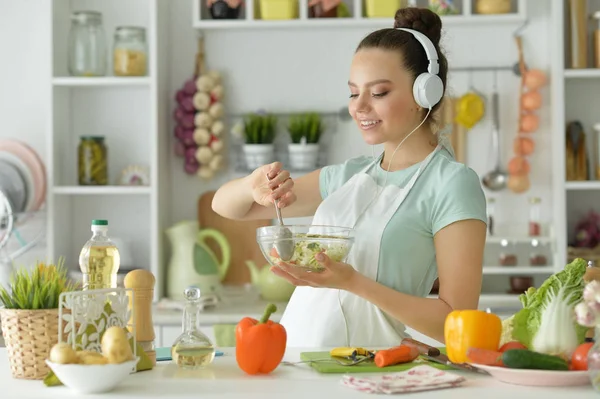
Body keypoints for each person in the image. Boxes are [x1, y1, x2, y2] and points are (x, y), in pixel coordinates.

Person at [212, 7, 487, 347]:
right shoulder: (350, 176)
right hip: (296, 361)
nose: (358, 107)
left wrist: (351, 282)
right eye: (354, 92)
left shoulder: (452, 184)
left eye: (379, 92)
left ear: (424, 95)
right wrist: (250, 185)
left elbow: (457, 322)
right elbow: (226, 207)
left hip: (371, 372)